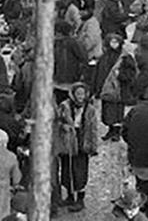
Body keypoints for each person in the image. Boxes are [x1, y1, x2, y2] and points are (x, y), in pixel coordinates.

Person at [54, 83, 98, 212]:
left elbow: (93, 129)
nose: (80, 96)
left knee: (80, 171)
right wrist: (64, 127)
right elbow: (57, 121)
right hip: (67, 142)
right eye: (78, 94)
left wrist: (92, 146)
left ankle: (80, 199)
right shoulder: (64, 106)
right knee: (67, 170)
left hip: (82, 142)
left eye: (82, 94)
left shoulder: (90, 110)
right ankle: (69, 196)